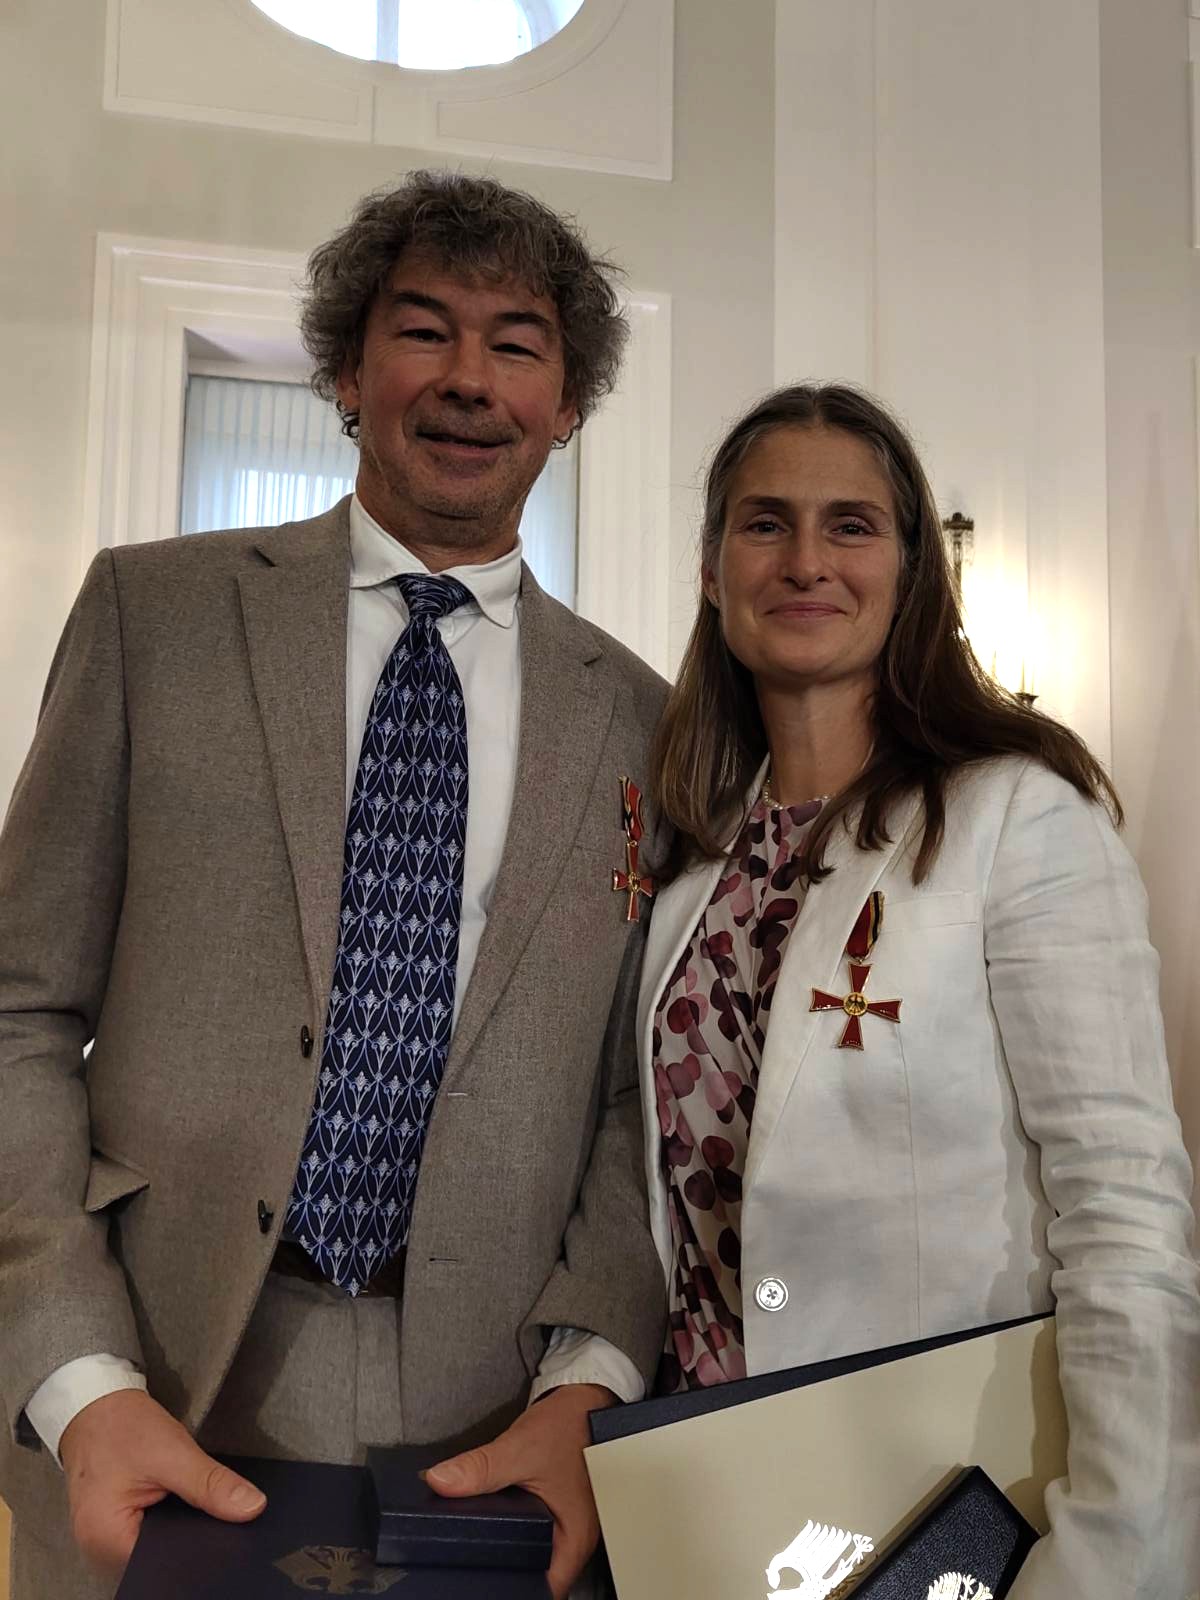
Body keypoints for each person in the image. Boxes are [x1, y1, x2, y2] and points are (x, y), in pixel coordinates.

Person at [0, 170, 667, 1600]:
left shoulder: (643, 718)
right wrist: (72, 1369)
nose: (469, 378)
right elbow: (19, 1011)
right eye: (423, 329)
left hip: (492, 1420)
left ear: (569, 403)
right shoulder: (152, 614)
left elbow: (637, 1099)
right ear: (348, 371)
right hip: (156, 1369)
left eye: (518, 344)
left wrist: (593, 1378)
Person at [637, 382, 1200, 1596]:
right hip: (703, 1502)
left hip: (939, 1507)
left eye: (850, 525)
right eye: (764, 522)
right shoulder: (689, 865)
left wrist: (1113, 1551)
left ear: (910, 572)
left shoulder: (1020, 817)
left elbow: (1124, 1208)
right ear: (711, 569)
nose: (805, 560)